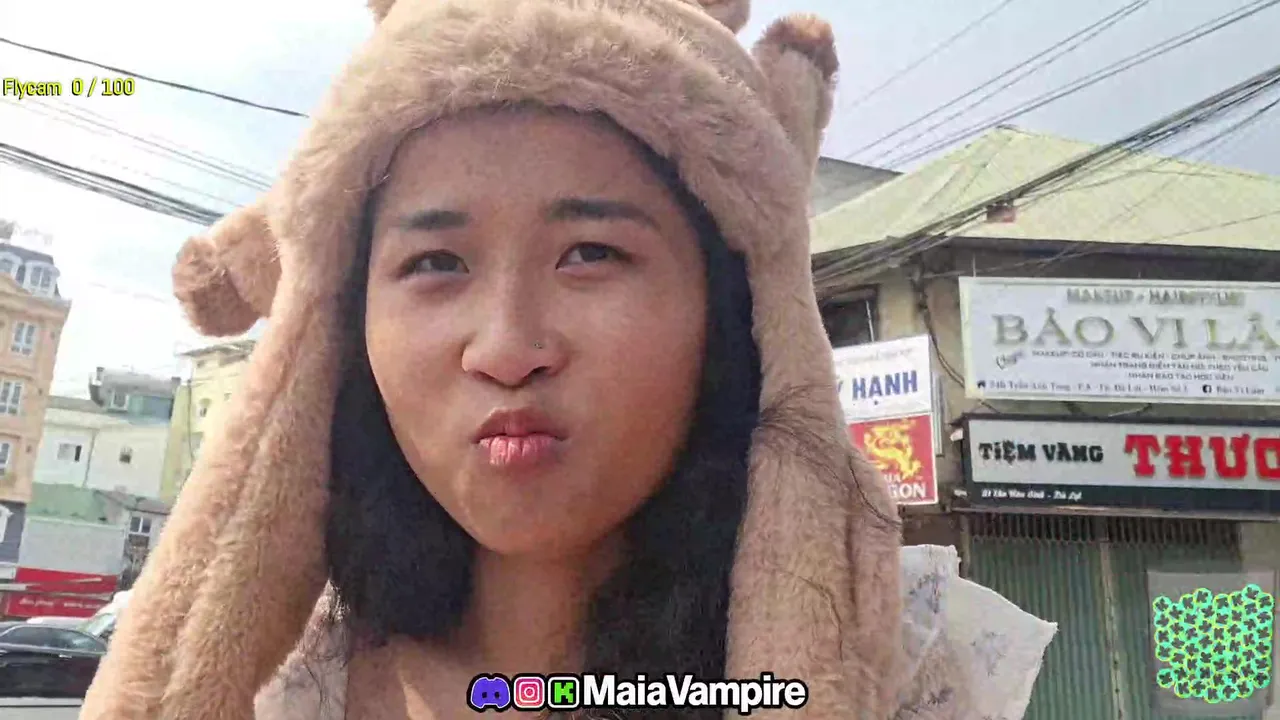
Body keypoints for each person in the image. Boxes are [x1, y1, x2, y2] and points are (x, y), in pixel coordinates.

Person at [80, 0, 1055, 718]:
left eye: (591, 253)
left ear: (729, 312)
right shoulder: (278, 688)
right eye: (435, 263)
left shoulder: (913, 666)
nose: (508, 349)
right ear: (343, 319)